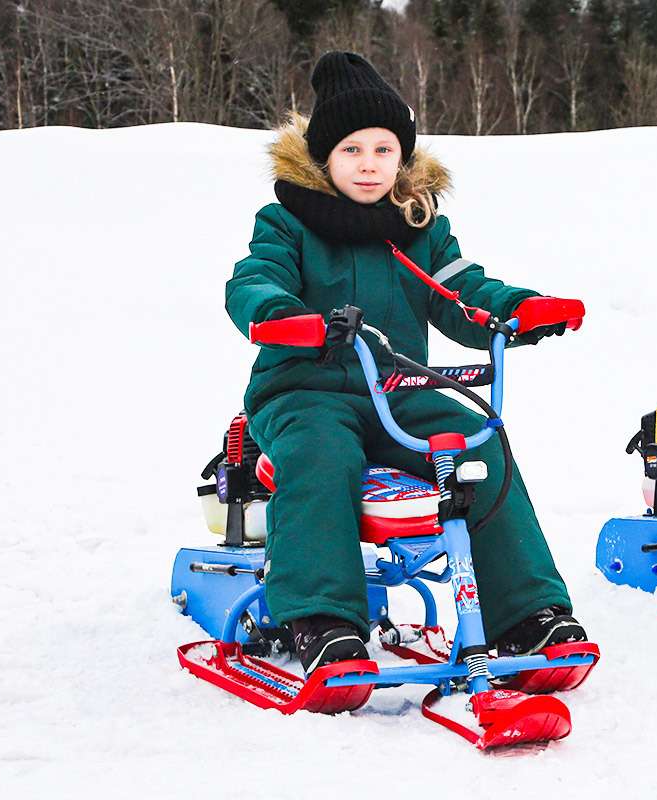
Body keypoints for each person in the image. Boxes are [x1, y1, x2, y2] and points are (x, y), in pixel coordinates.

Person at [226, 51, 586, 674]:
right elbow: (254, 280)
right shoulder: (287, 222)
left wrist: (520, 311)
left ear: (403, 157)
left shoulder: (417, 226)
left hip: (398, 390)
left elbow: (462, 292)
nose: (369, 165)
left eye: (383, 150)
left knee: (480, 447)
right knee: (320, 454)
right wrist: (286, 315)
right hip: (303, 389)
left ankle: (528, 613)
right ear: (323, 158)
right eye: (352, 151)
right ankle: (321, 620)